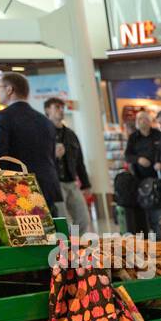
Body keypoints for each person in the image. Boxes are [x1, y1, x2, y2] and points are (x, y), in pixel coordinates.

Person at [0, 72, 62, 209]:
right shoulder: (45, 120)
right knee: (51, 228)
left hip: (20, 188)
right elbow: (51, 157)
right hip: (47, 186)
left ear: (9, 89)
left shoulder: (3, 117)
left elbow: (0, 157)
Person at [43, 97, 91, 229]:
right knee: (63, 221)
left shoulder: (70, 134)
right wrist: (53, 155)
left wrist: (86, 184)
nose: (61, 110)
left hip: (71, 181)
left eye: (62, 107)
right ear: (48, 110)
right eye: (57, 107)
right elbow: (38, 159)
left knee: (83, 219)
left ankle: (76, 246)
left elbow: (79, 161)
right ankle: (68, 247)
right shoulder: (42, 133)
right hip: (55, 183)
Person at [123, 110, 161, 235]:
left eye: (144, 119)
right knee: (144, 210)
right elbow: (127, 156)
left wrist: (160, 162)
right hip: (140, 179)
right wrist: (138, 159)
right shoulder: (133, 138)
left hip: (157, 178)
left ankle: (159, 235)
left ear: (150, 121)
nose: (141, 121)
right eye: (139, 119)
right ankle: (146, 234)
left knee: (158, 208)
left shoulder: (158, 135)